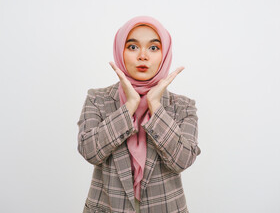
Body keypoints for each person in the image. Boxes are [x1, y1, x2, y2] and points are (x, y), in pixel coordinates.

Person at [77, 16, 201, 213]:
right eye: (133, 47)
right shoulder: (97, 99)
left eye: (153, 48)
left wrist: (156, 107)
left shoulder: (183, 106)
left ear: (165, 54)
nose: (143, 56)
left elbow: (182, 160)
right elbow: (89, 151)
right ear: (120, 51)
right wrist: (129, 107)